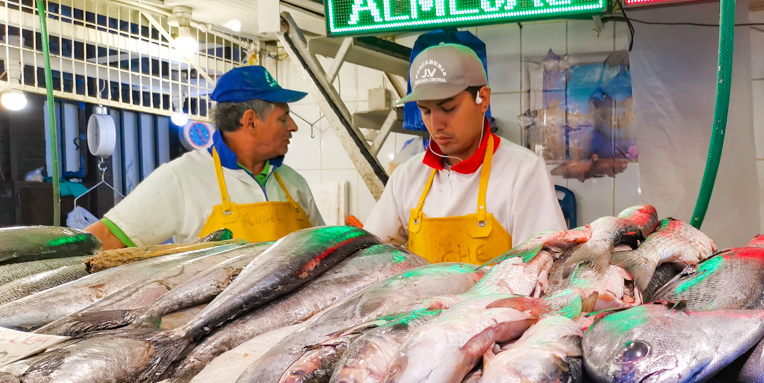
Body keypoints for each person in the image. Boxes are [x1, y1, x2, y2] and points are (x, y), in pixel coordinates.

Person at [365, 43, 566, 264]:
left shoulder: (524, 171)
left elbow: (544, 267)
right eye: (426, 110)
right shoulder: (407, 177)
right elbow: (369, 259)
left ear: (483, 99)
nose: (435, 124)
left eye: (448, 108)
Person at [86, 66, 324, 248]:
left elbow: (323, 253)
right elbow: (103, 240)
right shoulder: (181, 178)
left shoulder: (293, 183)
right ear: (251, 121)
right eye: (283, 119)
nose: (292, 127)